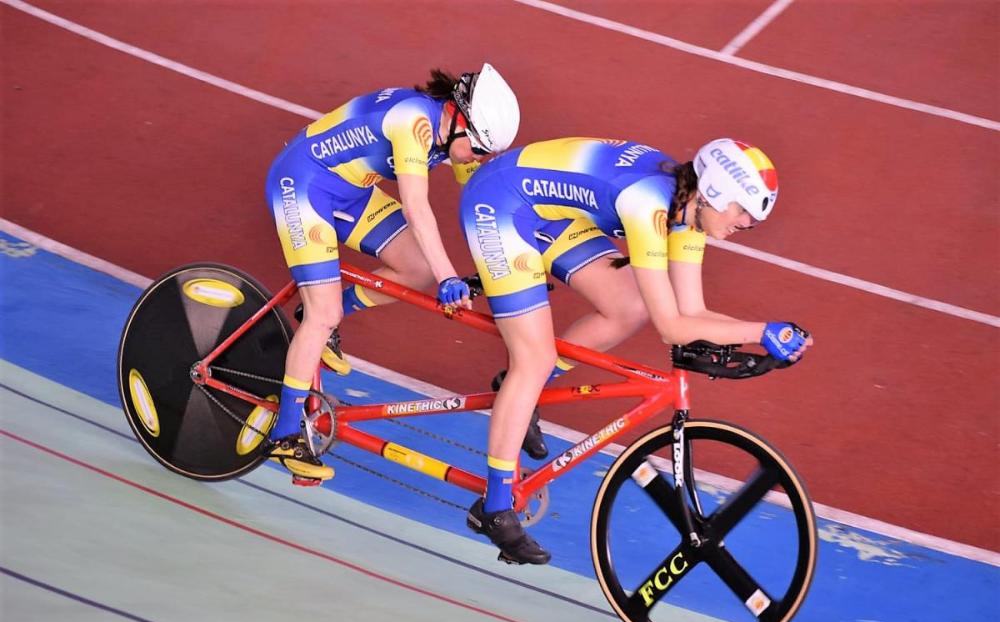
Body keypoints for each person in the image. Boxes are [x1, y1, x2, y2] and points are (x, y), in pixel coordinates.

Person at [459, 137, 812, 564]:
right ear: (714, 192)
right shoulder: (649, 205)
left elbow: (692, 311)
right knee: (531, 359)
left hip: (545, 210)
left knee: (628, 308)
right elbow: (673, 328)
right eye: (743, 211)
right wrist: (761, 330)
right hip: (499, 203)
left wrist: (770, 336)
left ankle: (522, 391)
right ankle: (495, 506)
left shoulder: (689, 210)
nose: (746, 224)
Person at [264, 65, 520, 484]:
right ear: (458, 121)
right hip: (304, 183)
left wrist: (510, 261)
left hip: (349, 189)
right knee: (322, 312)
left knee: (414, 267)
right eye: (477, 149)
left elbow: (481, 197)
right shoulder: (414, 123)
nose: (478, 157)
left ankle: (329, 322)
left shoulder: (453, 131)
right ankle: (286, 433)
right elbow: (418, 208)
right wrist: (448, 277)